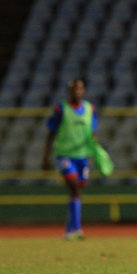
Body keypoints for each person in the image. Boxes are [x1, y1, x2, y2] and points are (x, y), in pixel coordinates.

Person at [42, 79, 98, 240]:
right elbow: (50, 132)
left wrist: (98, 153)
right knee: (74, 187)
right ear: (69, 91)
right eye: (74, 88)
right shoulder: (61, 109)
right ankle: (76, 229)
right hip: (65, 155)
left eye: (80, 88)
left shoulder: (90, 109)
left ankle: (71, 230)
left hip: (83, 156)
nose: (77, 91)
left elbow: (93, 133)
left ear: (84, 90)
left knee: (78, 190)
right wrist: (45, 156)